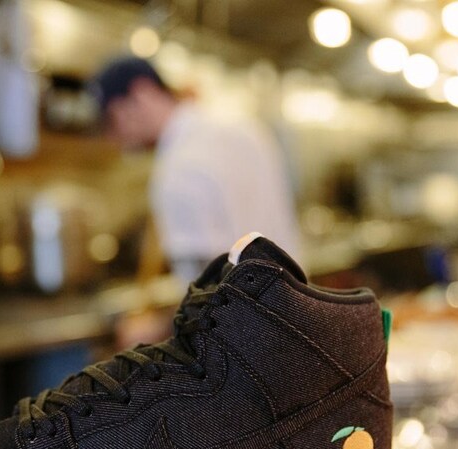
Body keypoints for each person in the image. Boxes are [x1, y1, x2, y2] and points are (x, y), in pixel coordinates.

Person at [89, 56, 300, 284]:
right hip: (293, 295)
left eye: (112, 119)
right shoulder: (245, 127)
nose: (113, 137)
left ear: (141, 93)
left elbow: (205, 284)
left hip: (246, 305)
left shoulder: (179, 167)